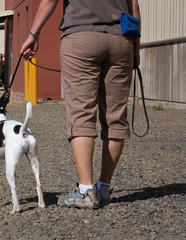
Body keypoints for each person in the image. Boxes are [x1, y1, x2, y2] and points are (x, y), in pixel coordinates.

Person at [21, 0, 141, 209]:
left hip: (80, 38)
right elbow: (134, 6)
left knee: (82, 115)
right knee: (116, 118)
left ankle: (86, 191)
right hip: (121, 39)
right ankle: (103, 188)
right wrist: (136, 48)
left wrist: (33, 34)